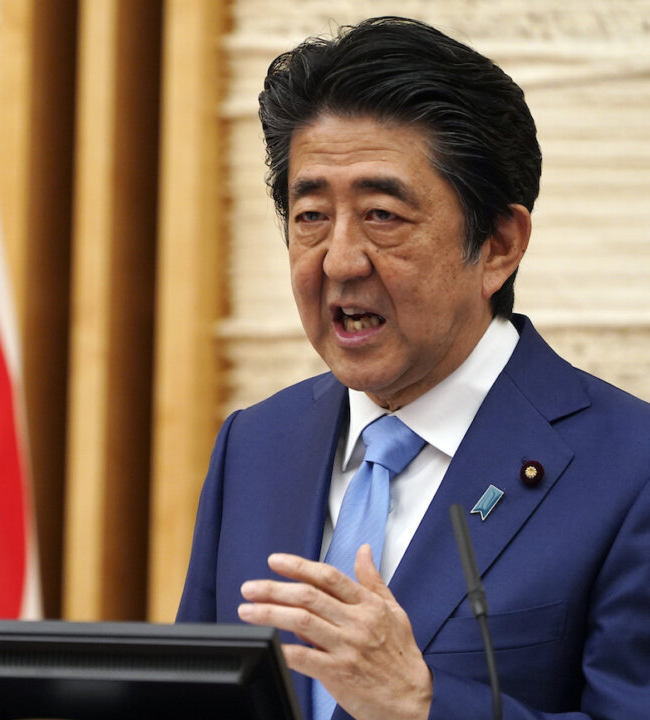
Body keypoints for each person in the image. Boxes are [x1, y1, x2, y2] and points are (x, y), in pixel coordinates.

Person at [176, 16, 650, 720]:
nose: (339, 260)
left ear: (497, 245)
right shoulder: (255, 445)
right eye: (310, 216)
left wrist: (420, 706)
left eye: (382, 215)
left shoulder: (629, 467)